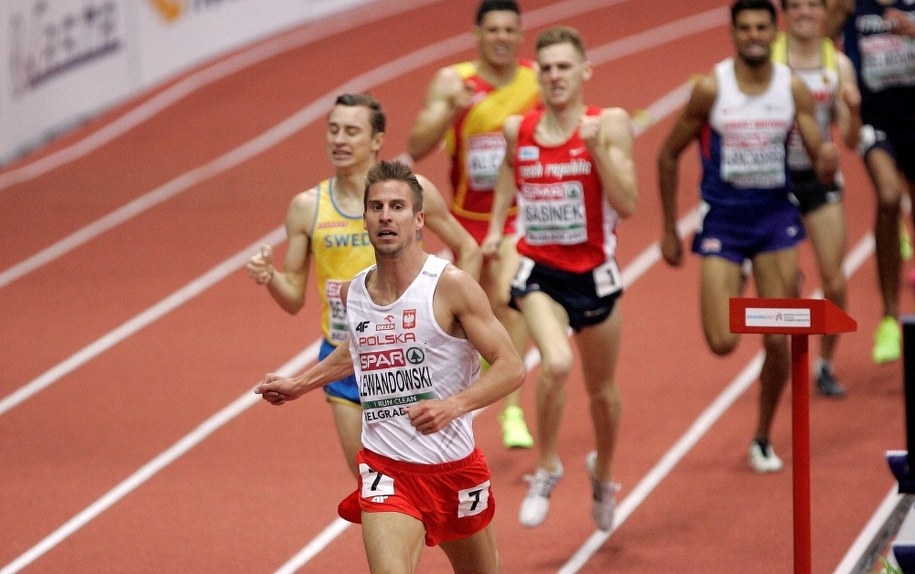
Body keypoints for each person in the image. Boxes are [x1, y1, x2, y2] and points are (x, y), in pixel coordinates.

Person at [255, 160, 524, 574]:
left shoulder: (451, 286)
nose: (386, 216)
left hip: (453, 468)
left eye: (397, 207)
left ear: (419, 220)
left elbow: (511, 366)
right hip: (387, 467)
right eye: (376, 207)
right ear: (364, 219)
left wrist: (453, 406)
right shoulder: (357, 292)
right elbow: (359, 349)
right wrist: (300, 383)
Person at [246, 94, 481, 478]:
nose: (340, 140)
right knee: (372, 485)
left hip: (409, 354)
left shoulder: (411, 192)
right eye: (334, 130)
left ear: (377, 140)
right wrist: (271, 277)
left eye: (352, 131)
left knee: (427, 478)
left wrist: (458, 316)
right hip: (344, 359)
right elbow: (292, 299)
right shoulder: (307, 207)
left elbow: (467, 248)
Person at [657, 0, 838, 473]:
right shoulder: (712, 89)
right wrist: (668, 231)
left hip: (776, 220)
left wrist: (825, 157)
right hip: (724, 222)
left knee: (778, 339)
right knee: (721, 341)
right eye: (745, 28)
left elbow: (814, 142)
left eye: (762, 27)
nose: (754, 35)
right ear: (733, 33)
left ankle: (761, 435)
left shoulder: (790, 87)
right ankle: (736, 278)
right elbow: (666, 155)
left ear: (772, 30)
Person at [481, 25, 638, 531]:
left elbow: (628, 204)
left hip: (594, 276)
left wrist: (595, 152)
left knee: (603, 394)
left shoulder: (609, 124)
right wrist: (493, 229)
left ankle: (604, 473)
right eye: (545, 68)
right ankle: (547, 467)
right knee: (554, 362)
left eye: (564, 66)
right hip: (540, 270)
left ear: (585, 71)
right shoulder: (519, 130)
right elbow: (509, 171)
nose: (554, 76)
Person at [408, 0, 539, 449]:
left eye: (509, 30)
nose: (501, 37)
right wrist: (451, 111)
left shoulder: (536, 80)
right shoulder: (454, 81)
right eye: (493, 30)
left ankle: (512, 411)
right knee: (465, 314)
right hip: (465, 218)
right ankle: (476, 383)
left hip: (519, 216)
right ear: (476, 35)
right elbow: (417, 144)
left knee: (508, 297)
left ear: (520, 35)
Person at [772, 0, 862, 396]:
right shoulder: (769, 59)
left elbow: (852, 139)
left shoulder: (837, 65)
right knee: (787, 285)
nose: (806, 13)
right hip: (775, 181)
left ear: (825, 13)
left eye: (814, 5)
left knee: (835, 280)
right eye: (797, 6)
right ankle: (789, 356)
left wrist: (855, 113)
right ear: (784, 12)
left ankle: (825, 361)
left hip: (820, 179)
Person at [826, 0, 915, 365]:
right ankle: (890, 318)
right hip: (875, 122)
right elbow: (816, 42)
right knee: (889, 196)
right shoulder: (851, 4)